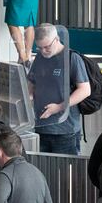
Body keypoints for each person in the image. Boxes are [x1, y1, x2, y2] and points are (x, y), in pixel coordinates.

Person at [27, 24, 91, 154]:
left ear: (56, 39)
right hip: (41, 127)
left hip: (65, 130)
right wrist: (28, 97)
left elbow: (85, 90)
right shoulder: (40, 57)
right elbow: (32, 81)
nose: (44, 51)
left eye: (47, 47)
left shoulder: (72, 58)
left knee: (65, 171)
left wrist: (59, 107)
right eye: (39, 47)